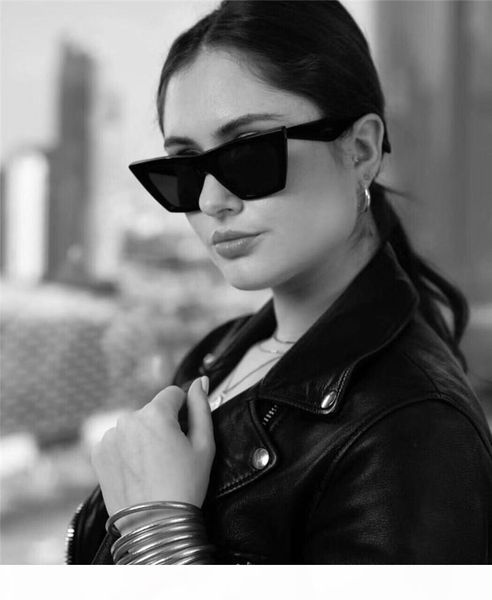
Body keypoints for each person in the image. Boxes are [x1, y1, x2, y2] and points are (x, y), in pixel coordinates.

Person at [66, 0, 492, 564]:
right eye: (185, 168)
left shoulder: (416, 424)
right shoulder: (220, 351)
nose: (212, 201)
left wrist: (159, 531)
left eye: (250, 153)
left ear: (361, 149)